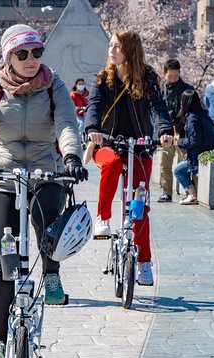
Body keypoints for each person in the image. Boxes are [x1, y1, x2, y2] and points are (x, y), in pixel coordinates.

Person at [0, 24, 88, 358]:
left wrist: (72, 157)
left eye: (37, 52)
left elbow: (66, 122)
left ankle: (52, 271)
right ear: (8, 58)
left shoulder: (54, 85)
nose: (31, 60)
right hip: (4, 174)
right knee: (6, 259)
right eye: (22, 54)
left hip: (47, 170)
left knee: (46, 226)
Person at [84, 30, 174, 287]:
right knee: (111, 164)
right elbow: (94, 107)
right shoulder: (103, 79)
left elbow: (157, 109)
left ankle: (144, 262)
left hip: (140, 147)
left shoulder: (147, 79)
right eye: (110, 45)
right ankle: (103, 217)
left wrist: (165, 131)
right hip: (109, 143)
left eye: (117, 47)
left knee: (139, 210)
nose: (111, 51)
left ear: (130, 51)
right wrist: (92, 129)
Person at [173, 90, 214, 205]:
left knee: (178, 170)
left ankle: (192, 195)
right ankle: (192, 194)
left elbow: (194, 140)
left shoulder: (192, 118)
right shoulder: (204, 115)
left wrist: (179, 142)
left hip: (201, 157)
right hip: (211, 153)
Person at [158, 59, 194, 203]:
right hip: (166, 132)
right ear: (164, 74)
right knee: (165, 164)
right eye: (170, 76)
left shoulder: (187, 89)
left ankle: (190, 192)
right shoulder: (160, 89)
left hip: (182, 132)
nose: (173, 79)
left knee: (186, 163)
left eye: (176, 76)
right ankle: (166, 192)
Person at [70, 78, 90, 145]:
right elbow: (71, 105)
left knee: (89, 124)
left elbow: (91, 102)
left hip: (86, 113)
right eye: (79, 84)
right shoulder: (73, 94)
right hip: (77, 114)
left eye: (82, 84)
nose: (81, 85)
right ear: (76, 85)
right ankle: (77, 139)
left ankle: (87, 141)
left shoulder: (87, 93)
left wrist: (87, 108)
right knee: (82, 123)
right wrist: (79, 109)